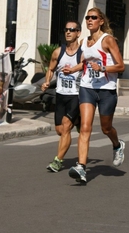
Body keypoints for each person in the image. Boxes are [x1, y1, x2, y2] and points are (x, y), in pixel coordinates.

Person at [66, 7, 126, 184]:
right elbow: (85, 64)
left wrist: (103, 68)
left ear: (101, 21)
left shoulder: (108, 40)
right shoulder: (84, 42)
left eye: (93, 17)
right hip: (87, 87)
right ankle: (81, 167)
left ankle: (117, 145)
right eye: (87, 17)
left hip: (106, 89)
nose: (89, 20)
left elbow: (121, 66)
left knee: (106, 128)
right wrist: (72, 69)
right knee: (85, 127)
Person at [41, 20, 82, 172]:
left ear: (78, 33)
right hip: (60, 95)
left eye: (72, 29)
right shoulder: (58, 52)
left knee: (65, 128)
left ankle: (58, 161)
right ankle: (78, 121)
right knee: (59, 130)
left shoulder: (82, 53)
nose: (68, 32)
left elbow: (87, 67)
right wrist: (46, 81)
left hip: (75, 96)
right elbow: (51, 69)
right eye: (66, 29)